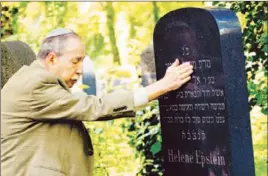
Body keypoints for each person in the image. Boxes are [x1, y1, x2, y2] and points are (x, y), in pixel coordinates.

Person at [1, 28, 193, 176]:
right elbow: (95, 106)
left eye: (82, 62)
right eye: (75, 61)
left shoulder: (33, 79)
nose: (80, 70)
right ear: (51, 59)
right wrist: (163, 86)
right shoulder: (36, 83)